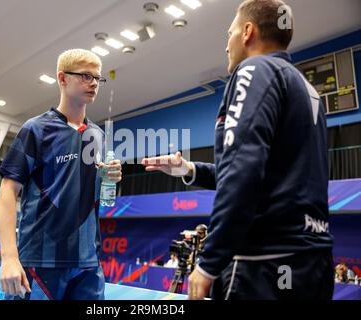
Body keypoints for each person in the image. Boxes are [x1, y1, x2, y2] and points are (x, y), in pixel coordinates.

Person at [143, 0, 333, 300]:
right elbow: (265, 174)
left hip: (262, 264)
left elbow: (243, 170)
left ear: (247, 32)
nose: (226, 45)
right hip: (312, 262)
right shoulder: (306, 88)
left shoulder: (254, 69)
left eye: (228, 33)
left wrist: (209, 262)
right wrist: (189, 170)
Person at [0, 49, 122, 300]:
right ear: (62, 78)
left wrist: (110, 179)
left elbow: (87, 192)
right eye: (86, 76)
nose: (94, 83)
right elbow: (7, 192)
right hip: (40, 259)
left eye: (98, 78)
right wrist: (9, 257)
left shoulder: (98, 136)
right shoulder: (36, 129)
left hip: (88, 263)